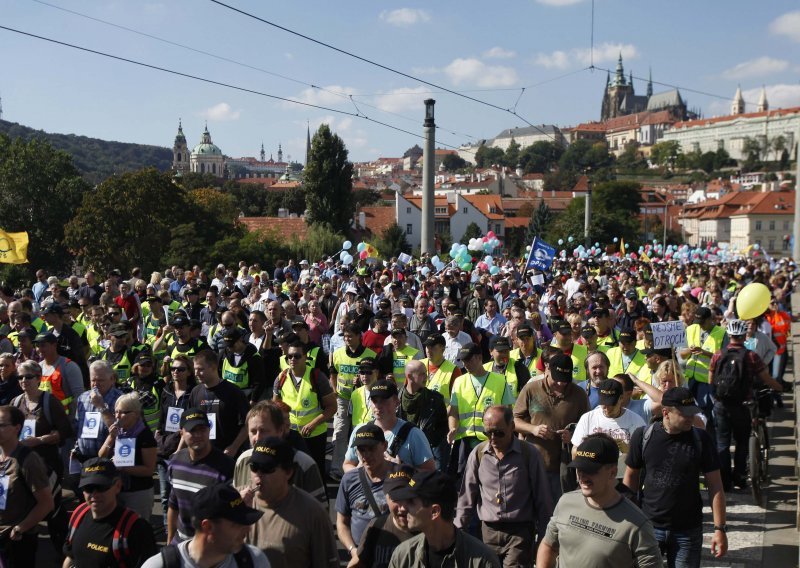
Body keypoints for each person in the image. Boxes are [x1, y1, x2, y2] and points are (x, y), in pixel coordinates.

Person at [623, 387, 727, 567]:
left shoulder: (701, 439)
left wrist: (720, 529)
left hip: (687, 530)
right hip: (649, 527)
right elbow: (630, 479)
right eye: (684, 413)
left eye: (692, 412)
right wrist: (627, 522)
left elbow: (715, 486)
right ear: (666, 413)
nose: (690, 417)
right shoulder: (643, 436)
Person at [536, 434, 663, 568]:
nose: (582, 476)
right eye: (579, 469)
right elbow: (549, 545)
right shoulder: (566, 502)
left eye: (591, 470)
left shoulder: (637, 524)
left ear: (612, 472)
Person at [456, 406, 553, 568]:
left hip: (519, 533)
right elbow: (467, 496)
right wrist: (458, 533)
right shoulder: (478, 453)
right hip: (488, 532)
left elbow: (543, 498)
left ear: (512, 427)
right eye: (488, 433)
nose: (493, 438)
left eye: (499, 433)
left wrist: (545, 540)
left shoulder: (529, 454)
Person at [241, 436, 338, 568]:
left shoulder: (312, 513)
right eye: (254, 467)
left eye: (267, 468)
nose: (258, 475)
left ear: (288, 472)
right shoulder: (237, 502)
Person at [708, 319, 781, 490]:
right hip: (742, 405)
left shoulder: (718, 355)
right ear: (743, 337)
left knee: (722, 444)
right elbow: (766, 379)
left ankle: (725, 482)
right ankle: (740, 477)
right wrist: (778, 387)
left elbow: (711, 381)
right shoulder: (751, 356)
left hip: (721, 404)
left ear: (730, 336)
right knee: (742, 441)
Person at [11, 360, 73, 554]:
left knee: (52, 509)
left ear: (38, 378)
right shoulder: (16, 402)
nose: (23, 381)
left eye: (28, 377)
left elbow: (65, 431)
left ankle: (64, 553)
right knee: (27, 507)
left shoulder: (49, 401)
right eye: (20, 377)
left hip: (47, 464)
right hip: (22, 466)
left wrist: (39, 440)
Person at [513, 352, 589, 502]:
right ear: (548, 371)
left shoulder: (579, 394)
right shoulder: (531, 389)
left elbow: (587, 426)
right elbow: (514, 421)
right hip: (533, 463)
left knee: (558, 509)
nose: (561, 384)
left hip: (563, 467)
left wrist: (573, 435)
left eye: (565, 381)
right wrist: (533, 429)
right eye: (557, 380)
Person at [388, 470, 501, 568]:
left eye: (411, 502)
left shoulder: (482, 560)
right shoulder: (403, 556)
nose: (403, 508)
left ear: (434, 512)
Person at [142, 482, 269, 568]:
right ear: (207, 527)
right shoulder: (159, 565)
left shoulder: (254, 560)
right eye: (236, 524)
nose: (248, 529)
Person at [63, 458, 157, 568]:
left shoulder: (136, 528)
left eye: (101, 487)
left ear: (117, 486)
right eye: (89, 488)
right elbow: (70, 557)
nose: (95, 494)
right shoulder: (79, 514)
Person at [234, 401, 328, 509]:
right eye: (253, 431)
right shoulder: (243, 461)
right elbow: (233, 505)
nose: (258, 438)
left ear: (280, 431)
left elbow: (320, 513)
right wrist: (237, 503)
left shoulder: (303, 464)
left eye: (264, 431)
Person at [167, 408, 235, 544]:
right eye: (192, 430)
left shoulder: (227, 467)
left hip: (211, 546)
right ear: (182, 433)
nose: (198, 435)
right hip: (179, 542)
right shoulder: (175, 462)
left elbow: (231, 515)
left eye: (202, 429)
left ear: (209, 430)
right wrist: (170, 540)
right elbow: (173, 505)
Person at [447, 343, 514, 480]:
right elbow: (454, 410)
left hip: (491, 441)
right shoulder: (459, 382)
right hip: (465, 443)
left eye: (469, 360)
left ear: (479, 358)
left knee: (491, 479)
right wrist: (452, 428)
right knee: (465, 482)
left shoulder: (500, 381)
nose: (465, 364)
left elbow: (508, 412)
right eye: (463, 360)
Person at [336, 423, 399, 562]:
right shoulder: (348, 480)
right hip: (360, 557)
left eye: (371, 448)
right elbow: (341, 524)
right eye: (361, 449)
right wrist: (354, 552)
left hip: (395, 557)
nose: (366, 455)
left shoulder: (403, 476)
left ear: (384, 446)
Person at [0, 405, 54, 567]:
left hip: (16, 541)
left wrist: (20, 528)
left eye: (2, 425)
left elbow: (46, 503)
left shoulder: (28, 460)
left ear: (17, 428)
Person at [344, 379, 435, 472]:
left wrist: (402, 469)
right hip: (366, 486)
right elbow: (347, 464)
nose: (378, 405)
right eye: (374, 401)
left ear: (397, 402)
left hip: (401, 486)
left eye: (383, 400)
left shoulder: (413, 434)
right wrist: (357, 472)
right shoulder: (360, 431)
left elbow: (430, 473)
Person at [273, 341, 336, 475]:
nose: (292, 359)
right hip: (289, 435)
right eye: (289, 356)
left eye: (297, 356)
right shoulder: (281, 378)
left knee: (315, 473)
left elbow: (332, 407)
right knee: (290, 473)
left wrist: (313, 424)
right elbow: (275, 406)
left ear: (305, 357)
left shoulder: (317, 377)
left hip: (314, 435)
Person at [571, 379, 646, 480]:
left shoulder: (636, 421)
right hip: (593, 477)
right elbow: (575, 451)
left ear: (621, 399)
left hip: (623, 478)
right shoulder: (588, 418)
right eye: (604, 403)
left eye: (611, 404)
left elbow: (645, 456)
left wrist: (629, 451)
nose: (607, 408)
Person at [329, 323, 377, 480]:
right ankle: (337, 468)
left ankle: (361, 467)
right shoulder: (337, 353)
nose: (347, 339)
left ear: (359, 337)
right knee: (340, 431)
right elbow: (333, 374)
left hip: (363, 397)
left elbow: (376, 376)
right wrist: (334, 390)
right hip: (343, 398)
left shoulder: (370, 355)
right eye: (345, 336)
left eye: (350, 336)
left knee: (361, 431)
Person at [189, 349, 249, 457]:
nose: (196, 373)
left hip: (227, 455)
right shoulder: (195, 392)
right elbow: (190, 424)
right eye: (195, 369)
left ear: (213, 367)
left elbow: (247, 424)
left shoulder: (233, 392)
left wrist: (234, 447)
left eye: (200, 369)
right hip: (203, 455)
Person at [353, 465, 417, 568]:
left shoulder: (428, 531)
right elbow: (359, 563)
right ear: (386, 498)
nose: (403, 508)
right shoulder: (377, 526)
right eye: (395, 498)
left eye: (409, 498)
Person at [679, 306, 726, 435]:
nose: (700, 326)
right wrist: (690, 350)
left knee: (705, 414)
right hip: (690, 380)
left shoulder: (721, 333)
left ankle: (708, 439)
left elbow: (724, 358)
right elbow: (681, 354)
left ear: (710, 319)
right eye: (698, 323)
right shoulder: (690, 329)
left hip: (708, 381)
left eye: (703, 323)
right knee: (689, 412)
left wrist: (706, 353)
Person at [398, 360, 448, 471]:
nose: (426, 377)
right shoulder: (395, 399)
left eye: (426, 373)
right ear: (409, 376)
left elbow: (442, 430)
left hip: (428, 454)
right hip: (402, 454)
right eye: (421, 374)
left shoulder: (435, 400)